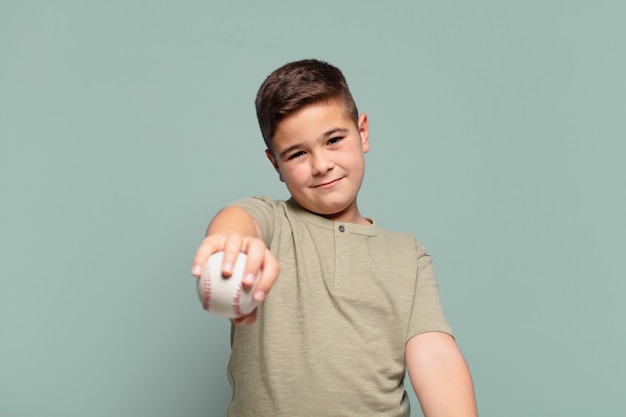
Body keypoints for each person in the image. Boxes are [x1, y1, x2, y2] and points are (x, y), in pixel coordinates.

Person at [191, 59, 478, 417]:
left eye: (334, 140)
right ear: (275, 165)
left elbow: (434, 355)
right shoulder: (272, 222)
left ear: (363, 133)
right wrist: (230, 246)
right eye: (297, 153)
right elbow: (237, 221)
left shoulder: (407, 254)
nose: (321, 164)